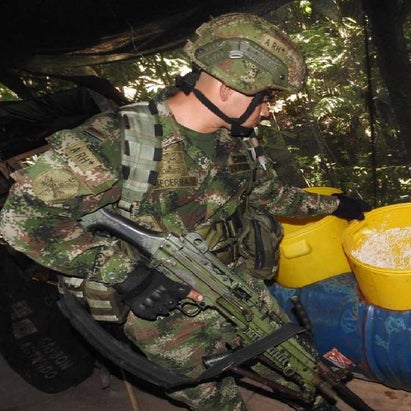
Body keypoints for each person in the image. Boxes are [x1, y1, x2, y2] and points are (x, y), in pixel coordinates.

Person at [0, 12, 371, 411]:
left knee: (298, 366)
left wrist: (335, 205)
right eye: (265, 98)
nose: (267, 111)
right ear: (228, 88)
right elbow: (22, 219)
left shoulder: (236, 140)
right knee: (217, 400)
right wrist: (129, 275)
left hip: (236, 283)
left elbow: (267, 194)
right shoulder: (118, 141)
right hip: (167, 311)